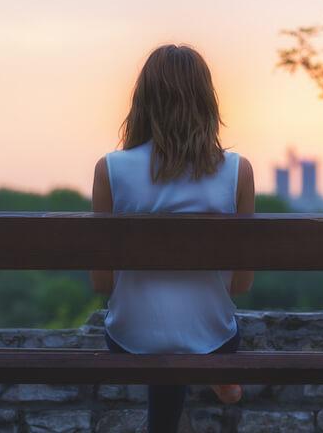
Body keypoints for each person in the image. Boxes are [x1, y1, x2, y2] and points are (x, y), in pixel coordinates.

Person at [90, 44, 255, 433]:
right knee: (195, 332)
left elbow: (101, 282)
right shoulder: (237, 172)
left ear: (142, 101)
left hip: (131, 335)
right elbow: (242, 284)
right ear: (207, 101)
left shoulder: (110, 169)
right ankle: (221, 377)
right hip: (211, 335)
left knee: (161, 337)